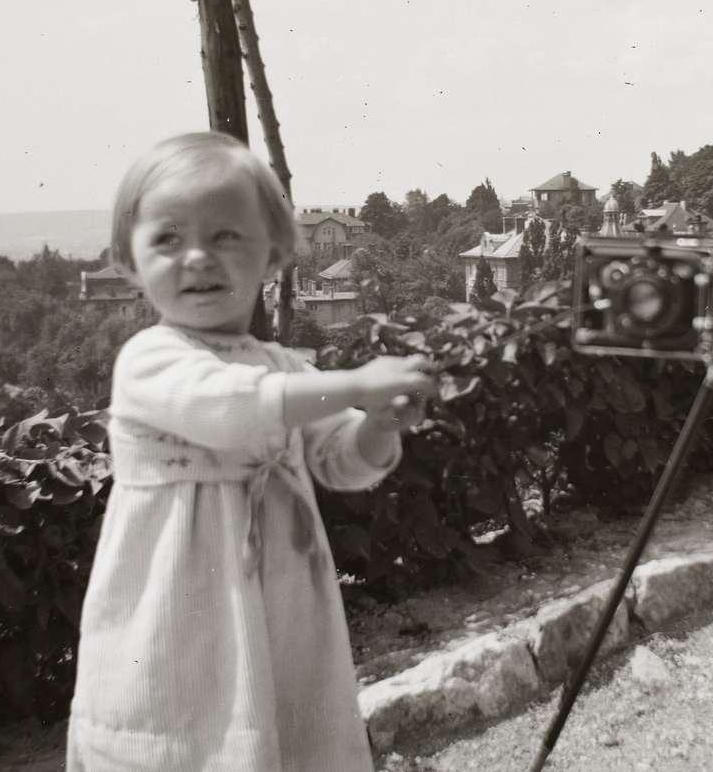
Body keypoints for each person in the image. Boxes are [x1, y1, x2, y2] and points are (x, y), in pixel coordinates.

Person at [64, 132, 437, 772]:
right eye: (168, 239)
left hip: (284, 612)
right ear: (129, 258)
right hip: (178, 622)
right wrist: (357, 383)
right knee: (189, 742)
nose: (198, 257)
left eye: (226, 235)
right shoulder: (150, 360)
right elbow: (236, 406)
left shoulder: (282, 366)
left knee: (289, 738)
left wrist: (377, 424)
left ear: (275, 254)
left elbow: (337, 460)